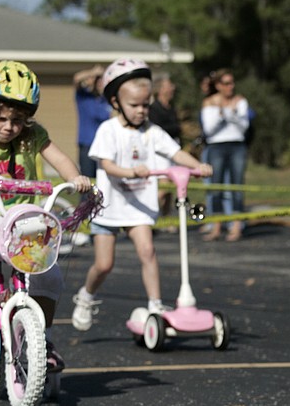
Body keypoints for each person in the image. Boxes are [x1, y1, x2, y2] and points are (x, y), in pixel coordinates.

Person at [70, 58, 212, 332]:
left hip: (138, 208)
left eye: (145, 105)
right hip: (109, 208)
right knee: (104, 264)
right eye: (134, 105)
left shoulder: (152, 132)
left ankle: (155, 304)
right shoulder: (108, 131)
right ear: (115, 102)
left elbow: (175, 152)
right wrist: (131, 172)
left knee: (148, 251)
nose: (141, 111)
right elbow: (107, 165)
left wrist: (197, 166)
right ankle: (86, 296)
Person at [0, 61, 93, 371]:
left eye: (18, 120)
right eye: (0, 118)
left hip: (24, 220)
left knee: (48, 277)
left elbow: (60, 158)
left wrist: (76, 179)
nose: (9, 126)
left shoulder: (33, 135)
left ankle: (44, 340)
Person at [200, 68, 249, 242]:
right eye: (227, 83)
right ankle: (217, 226)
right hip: (216, 147)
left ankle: (236, 227)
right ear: (219, 85)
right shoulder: (209, 102)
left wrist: (229, 114)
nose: (231, 87)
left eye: (232, 83)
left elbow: (244, 126)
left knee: (237, 187)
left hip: (237, 146)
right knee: (215, 188)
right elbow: (209, 129)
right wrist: (224, 115)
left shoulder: (241, 101)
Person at [149, 72, 181, 228]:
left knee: (171, 187)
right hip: (160, 153)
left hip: (172, 150)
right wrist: (177, 128)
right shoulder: (154, 109)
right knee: (165, 185)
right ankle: (147, 214)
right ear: (161, 89)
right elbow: (159, 130)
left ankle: (166, 219)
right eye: (169, 85)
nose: (173, 88)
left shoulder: (171, 108)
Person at [73, 64, 111, 178]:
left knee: (103, 180)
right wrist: (94, 73)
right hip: (87, 145)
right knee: (88, 180)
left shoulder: (106, 100)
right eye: (98, 81)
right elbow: (77, 78)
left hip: (103, 146)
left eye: (102, 82)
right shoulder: (84, 96)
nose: (100, 84)